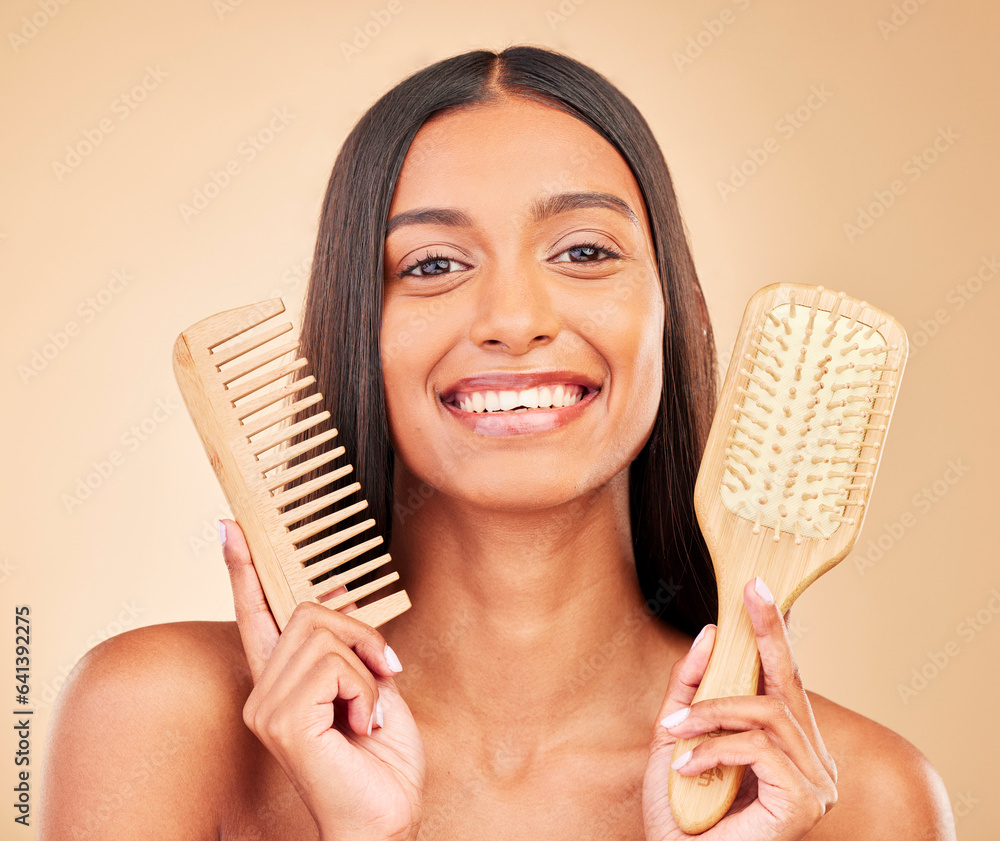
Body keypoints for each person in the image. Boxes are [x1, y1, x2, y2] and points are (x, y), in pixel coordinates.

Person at [39, 46, 954, 840]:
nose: (514, 319)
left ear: (668, 314)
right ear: (363, 328)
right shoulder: (160, 720)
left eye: (585, 251)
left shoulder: (869, 800)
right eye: (433, 264)